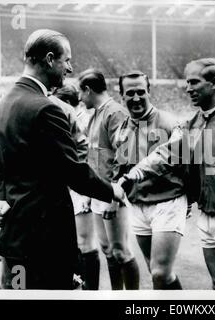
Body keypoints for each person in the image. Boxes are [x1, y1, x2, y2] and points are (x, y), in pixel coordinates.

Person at [0, 29, 125, 290]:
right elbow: (72, 171)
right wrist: (112, 190)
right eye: (67, 60)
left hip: (14, 238)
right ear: (50, 59)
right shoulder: (46, 108)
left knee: (17, 292)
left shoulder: (5, 103)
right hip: (45, 241)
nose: (70, 68)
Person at [120, 59, 215, 289]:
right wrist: (130, 176)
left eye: (194, 82)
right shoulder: (190, 124)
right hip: (206, 216)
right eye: (187, 82)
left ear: (214, 83)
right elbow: (165, 154)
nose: (188, 88)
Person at [114, 71, 187, 289]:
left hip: (167, 203)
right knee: (156, 272)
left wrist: (189, 201)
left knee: (159, 274)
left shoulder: (171, 123)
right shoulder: (122, 129)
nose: (136, 98)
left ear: (149, 91)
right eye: (130, 93)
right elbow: (119, 169)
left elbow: (188, 166)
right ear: (122, 96)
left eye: (140, 92)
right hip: (138, 206)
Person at [78, 69, 140, 290]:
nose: (79, 98)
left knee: (121, 251)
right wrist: (88, 194)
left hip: (113, 192)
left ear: (88, 89)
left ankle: (132, 301)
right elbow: (94, 158)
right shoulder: (96, 113)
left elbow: (124, 157)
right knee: (108, 250)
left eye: (81, 92)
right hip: (98, 191)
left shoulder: (115, 113)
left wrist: (114, 197)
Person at [52, 84, 99, 290]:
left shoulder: (81, 120)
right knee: (76, 241)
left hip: (80, 186)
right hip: (73, 184)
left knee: (85, 242)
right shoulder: (72, 118)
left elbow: (88, 155)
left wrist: (86, 189)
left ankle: (90, 291)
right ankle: (79, 284)